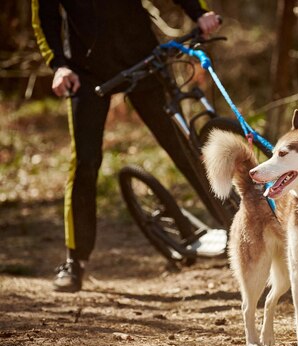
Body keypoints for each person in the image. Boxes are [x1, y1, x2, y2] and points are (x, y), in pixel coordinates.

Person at [32, 0, 221, 292]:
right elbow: (44, 16)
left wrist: (199, 13)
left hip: (142, 58)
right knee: (85, 161)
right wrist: (58, 65)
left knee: (183, 147)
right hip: (85, 73)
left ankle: (242, 230)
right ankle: (75, 262)